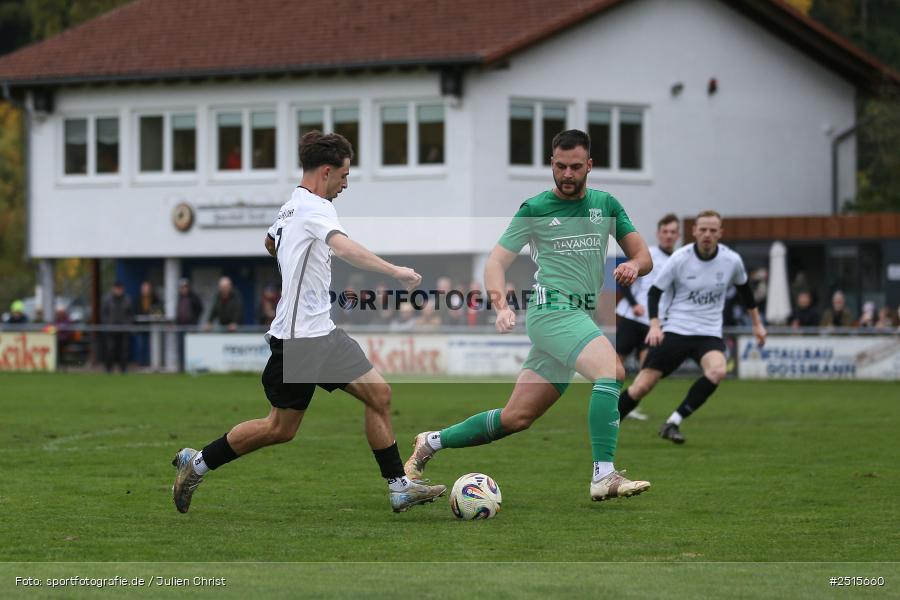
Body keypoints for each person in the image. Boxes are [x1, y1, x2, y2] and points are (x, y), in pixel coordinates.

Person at [171, 131, 445, 514]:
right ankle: (196, 463)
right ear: (327, 171)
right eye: (345, 175)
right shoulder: (316, 208)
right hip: (300, 339)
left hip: (320, 332)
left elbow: (270, 243)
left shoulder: (290, 207)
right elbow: (343, 246)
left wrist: (296, 262)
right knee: (279, 428)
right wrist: (395, 271)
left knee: (379, 395)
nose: (346, 184)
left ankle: (399, 487)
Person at [405, 129, 653, 502]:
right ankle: (604, 475)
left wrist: (633, 265)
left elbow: (644, 257)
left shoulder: (607, 204)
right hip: (552, 311)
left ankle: (431, 442)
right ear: (551, 164)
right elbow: (495, 262)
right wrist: (501, 306)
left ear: (590, 165)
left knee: (516, 418)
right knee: (613, 372)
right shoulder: (534, 208)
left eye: (575, 167)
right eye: (559, 166)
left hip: (576, 317)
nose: (567, 174)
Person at [617, 210, 767, 444]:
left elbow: (747, 294)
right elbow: (655, 292)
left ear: (720, 233)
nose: (707, 234)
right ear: (695, 231)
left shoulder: (732, 261)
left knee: (717, 370)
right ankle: (608, 424)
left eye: (712, 230)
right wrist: (655, 325)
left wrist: (758, 325)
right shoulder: (680, 258)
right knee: (640, 387)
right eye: (703, 229)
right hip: (676, 329)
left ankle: (673, 422)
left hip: (708, 333)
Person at [615, 213, 680, 421]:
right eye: (665, 232)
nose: (668, 236)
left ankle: (628, 404)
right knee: (617, 364)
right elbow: (621, 279)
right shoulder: (646, 254)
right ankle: (608, 402)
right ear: (658, 233)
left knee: (648, 369)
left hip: (655, 324)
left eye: (673, 232)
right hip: (632, 318)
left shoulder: (680, 259)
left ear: (678, 235)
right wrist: (634, 305)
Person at [101, 281, 134, 373]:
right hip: (111, 329)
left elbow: (131, 314)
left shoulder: (127, 299)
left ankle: (123, 369)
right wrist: (107, 323)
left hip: (124, 329)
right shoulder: (107, 299)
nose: (118, 290)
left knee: (124, 351)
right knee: (110, 349)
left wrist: (128, 324)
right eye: (117, 288)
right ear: (113, 289)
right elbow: (104, 313)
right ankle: (109, 369)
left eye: (120, 289)